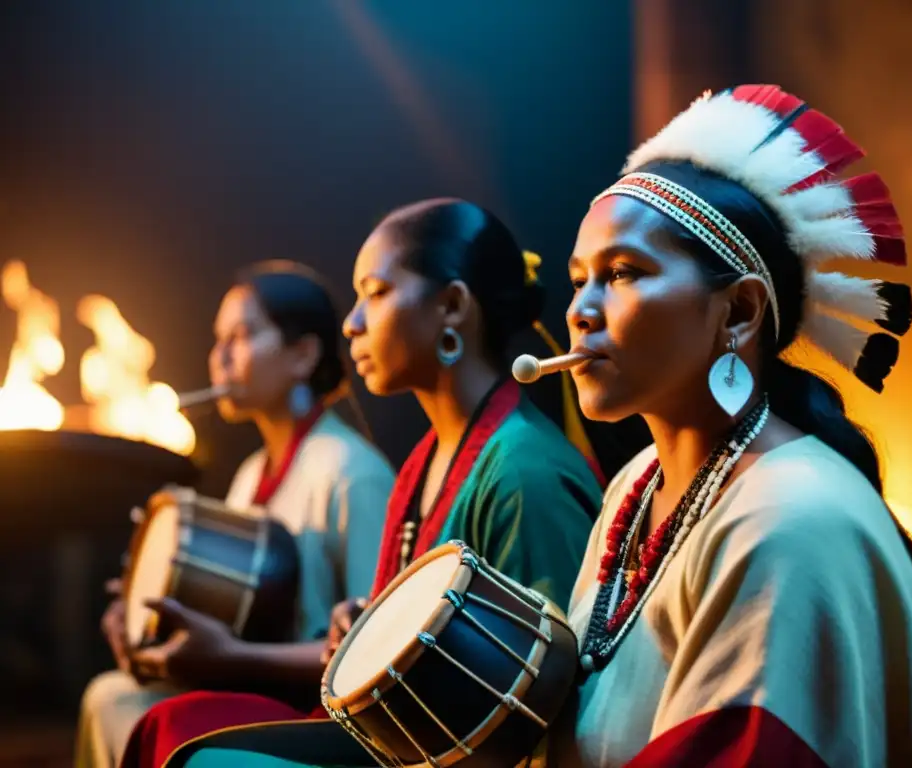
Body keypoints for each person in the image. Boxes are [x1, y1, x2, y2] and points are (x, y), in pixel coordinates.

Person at [541, 85, 912, 766]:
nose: (581, 311)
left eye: (622, 273)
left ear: (739, 311)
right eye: (579, 278)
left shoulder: (791, 517)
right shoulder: (635, 488)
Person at [119, 198, 604, 768]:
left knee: (191, 748)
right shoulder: (425, 460)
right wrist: (360, 632)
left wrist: (235, 656)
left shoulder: (525, 472)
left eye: (374, 293)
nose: (351, 323)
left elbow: (546, 698)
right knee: (169, 725)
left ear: (451, 306)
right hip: (404, 741)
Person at [74, 261, 395, 768]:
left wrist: (231, 660)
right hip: (259, 689)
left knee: (120, 705)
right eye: (217, 338)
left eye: (242, 336)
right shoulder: (250, 473)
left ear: (304, 354)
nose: (219, 356)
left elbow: (379, 647)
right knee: (110, 692)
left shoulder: (353, 472)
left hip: (320, 716)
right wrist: (145, 623)